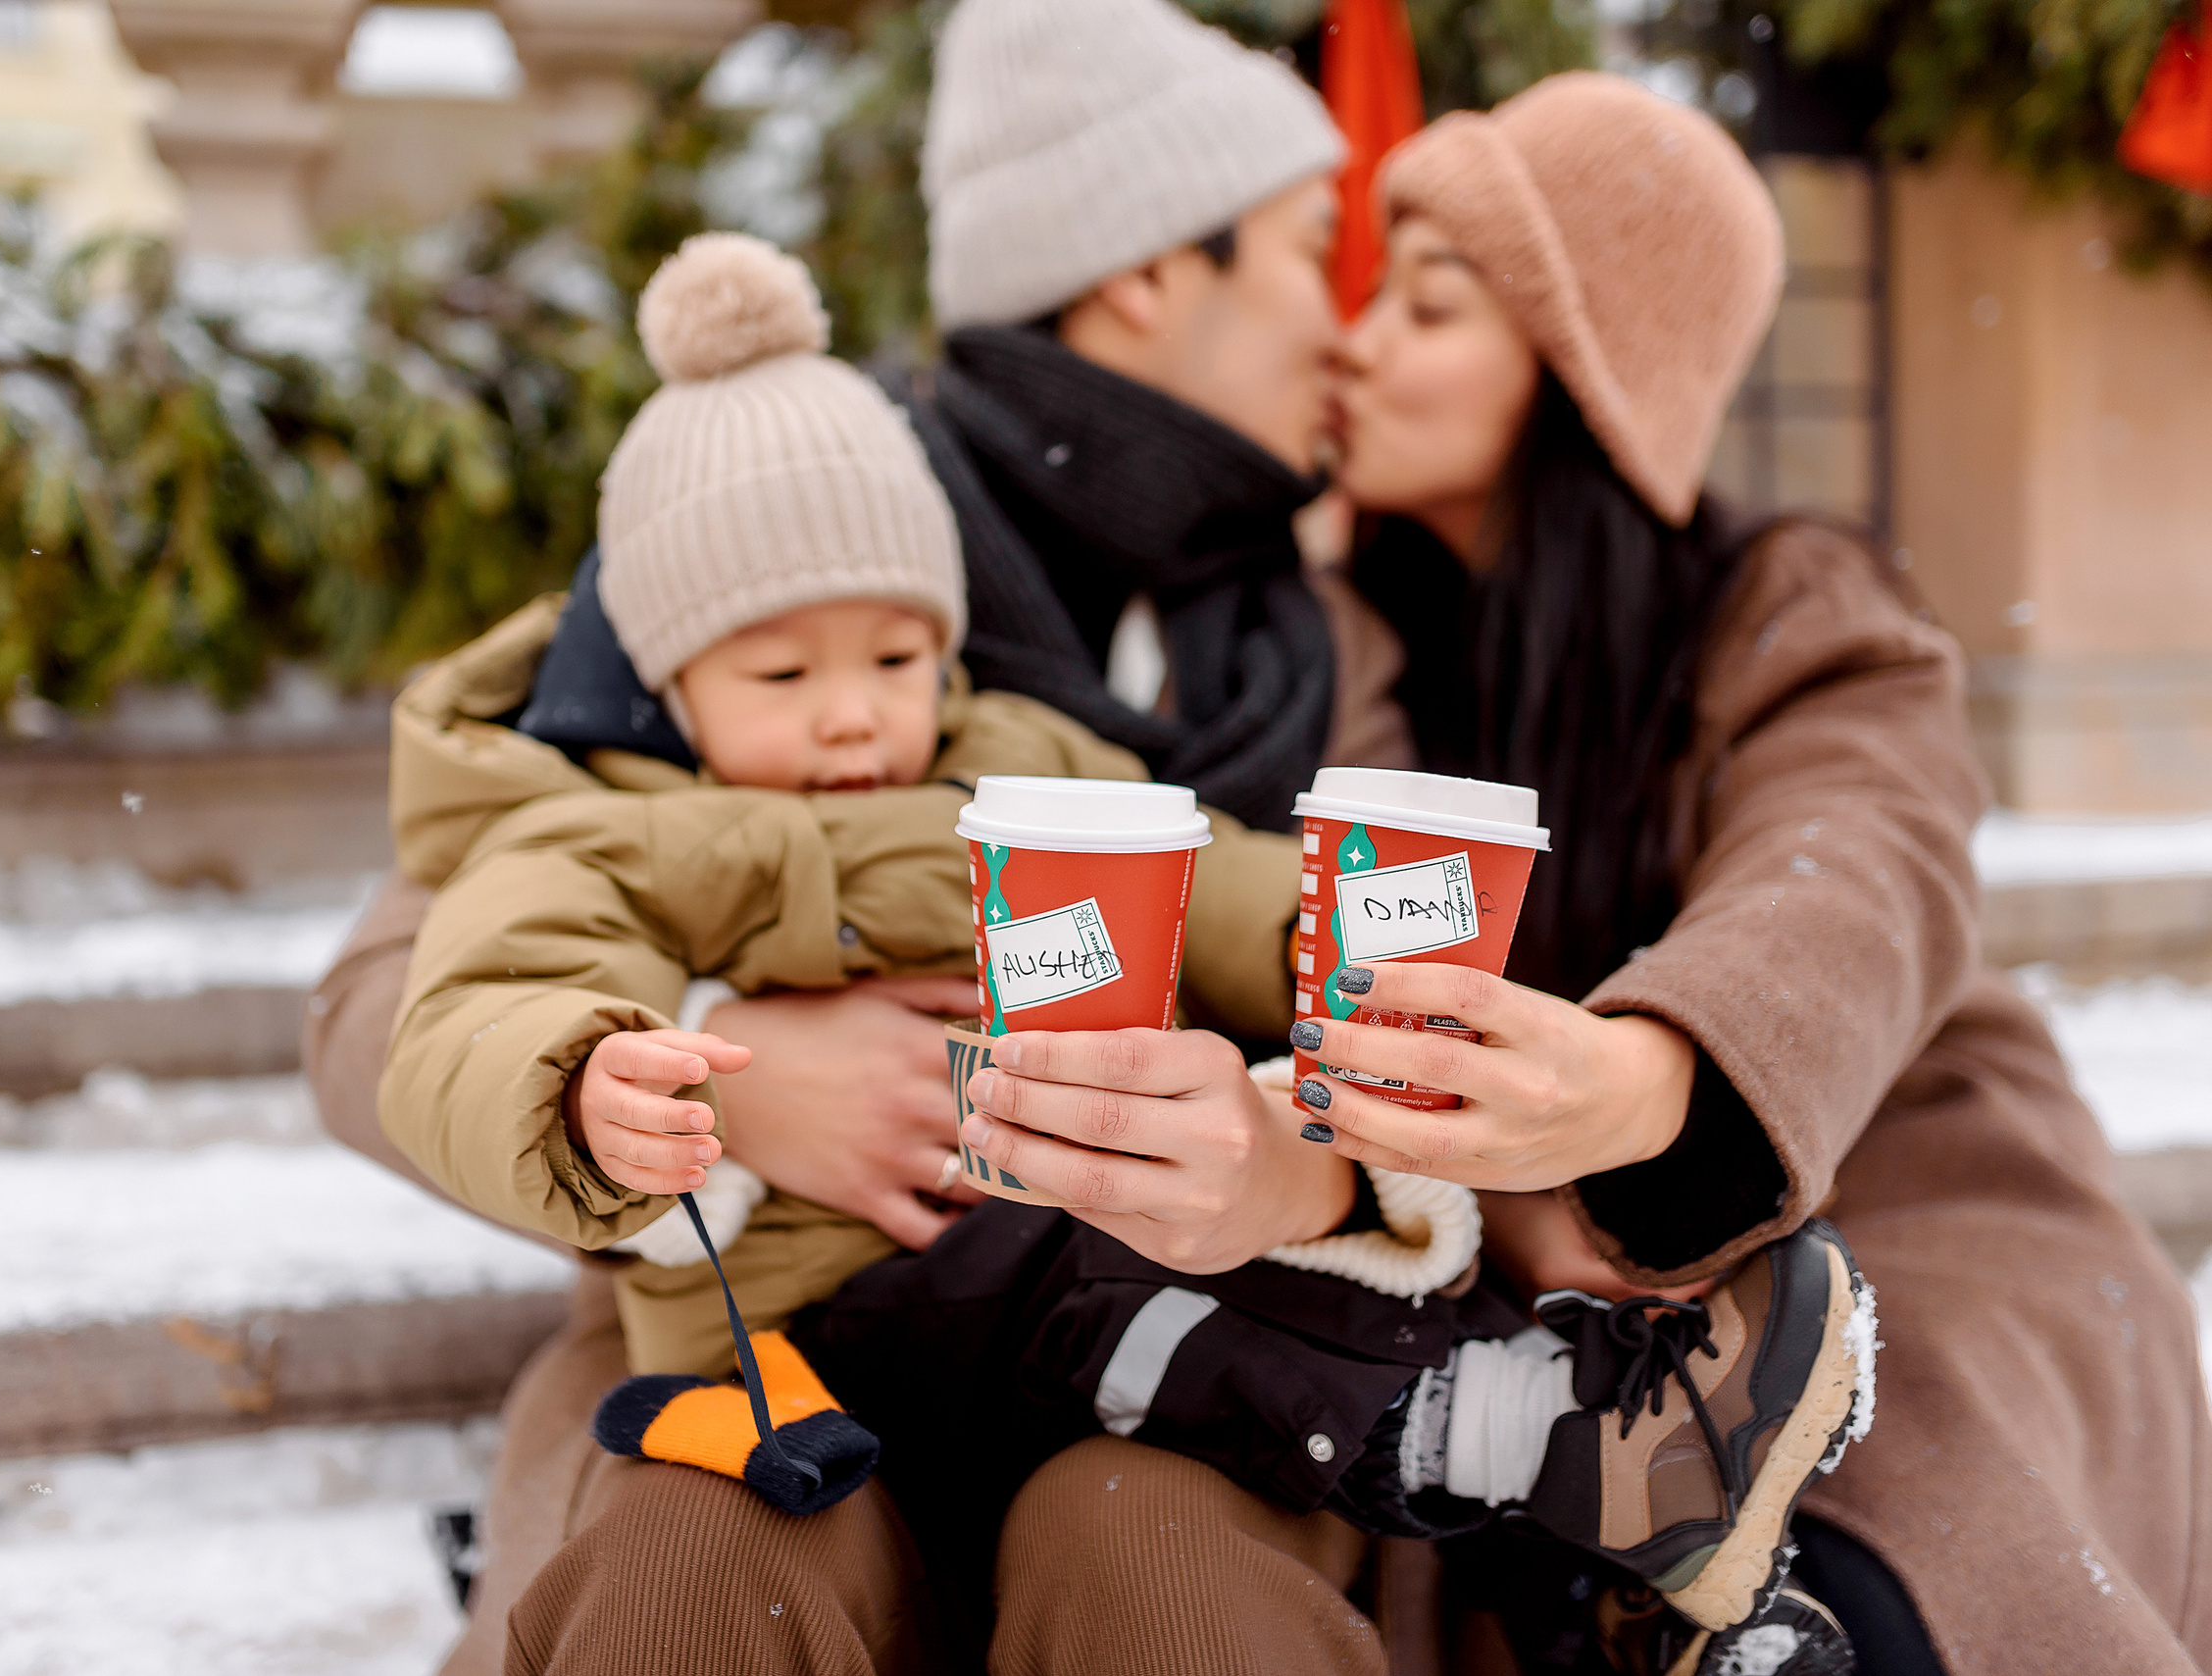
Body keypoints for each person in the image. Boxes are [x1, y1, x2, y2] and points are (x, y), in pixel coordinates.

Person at [946, 72, 2212, 1673]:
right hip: (1484, 1262)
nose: (1359, 343)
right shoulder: (1339, 640)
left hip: (1882, 1179)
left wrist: (1648, 1077)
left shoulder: (1784, 598)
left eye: (1432, 305)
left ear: (1585, 369)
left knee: (1886, 1516)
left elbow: (1861, 851)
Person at [302, 2, 1417, 1667]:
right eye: (1312, 252)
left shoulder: (1315, 632)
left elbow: (1288, 915)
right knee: (697, 1574)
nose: (1350, 326)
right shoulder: (761, 516)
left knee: (1166, 1568)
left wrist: (1322, 1109)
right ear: (1145, 276)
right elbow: (407, 991)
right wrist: (720, 1064)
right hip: (762, 1334)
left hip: (1127, 1318)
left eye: (897, 664)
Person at [377, 229, 1307, 1386]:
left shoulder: (1018, 763)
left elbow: (1201, 871)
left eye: (895, 656)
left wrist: (1315, 929)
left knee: (1169, 1348)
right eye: (782, 675)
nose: (851, 715)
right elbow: (482, 1006)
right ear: (672, 689)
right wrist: (578, 1089)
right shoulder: (606, 832)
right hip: (779, 1328)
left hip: (1044, 1251)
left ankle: (1398, 1404)